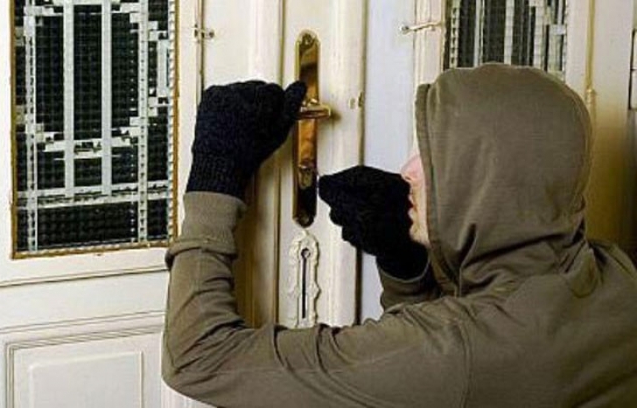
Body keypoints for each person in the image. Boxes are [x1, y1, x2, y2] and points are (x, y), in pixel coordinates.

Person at [162, 64, 637, 407]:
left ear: (489, 183)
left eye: (435, 159)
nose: (408, 170)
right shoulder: (617, 277)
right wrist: (406, 265)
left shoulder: (461, 353)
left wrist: (215, 176)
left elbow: (197, 359)